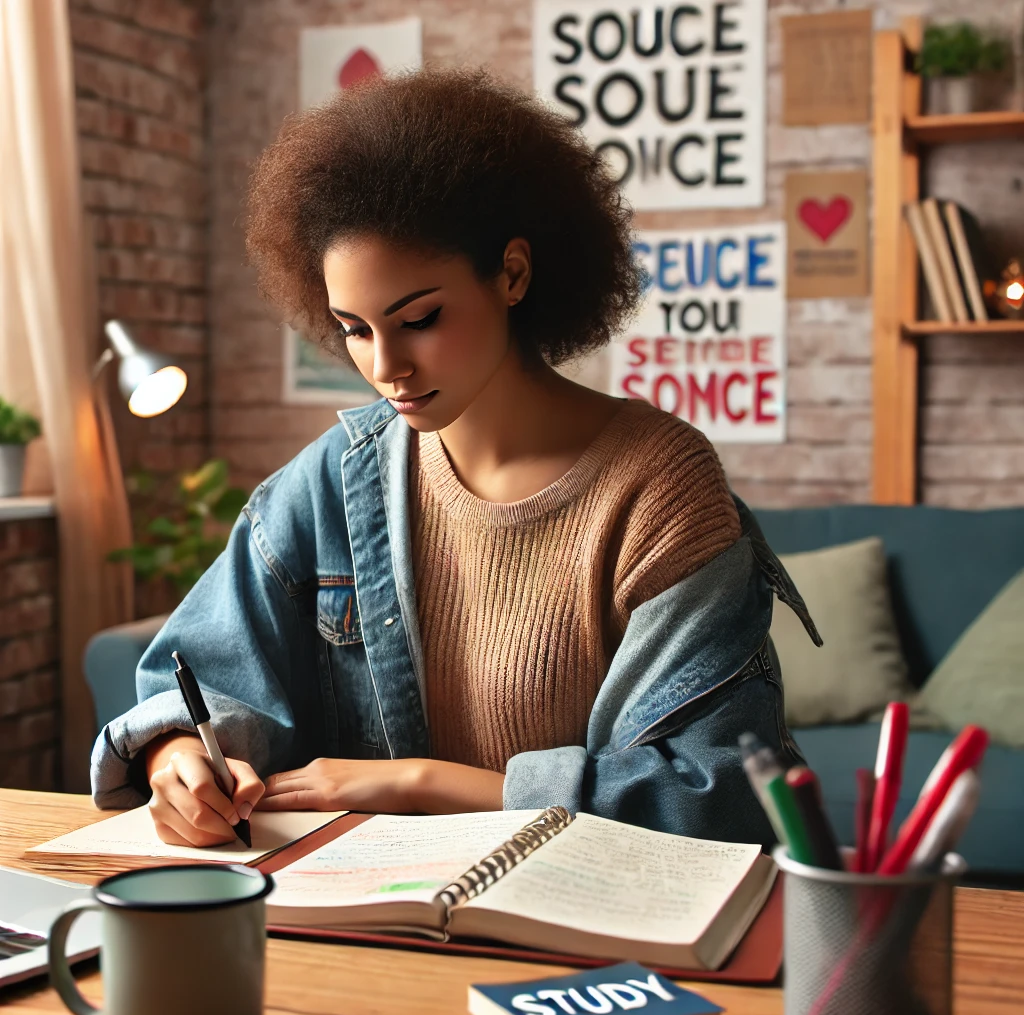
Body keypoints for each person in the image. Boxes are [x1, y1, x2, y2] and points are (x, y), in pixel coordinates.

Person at [91, 67, 819, 848]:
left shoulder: (657, 486)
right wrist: (179, 759)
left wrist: (422, 782)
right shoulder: (339, 477)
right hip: (381, 929)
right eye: (355, 328)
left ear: (512, 273)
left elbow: (718, 795)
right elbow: (199, 677)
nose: (383, 365)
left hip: (593, 931)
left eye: (420, 318)